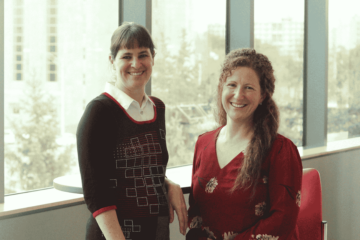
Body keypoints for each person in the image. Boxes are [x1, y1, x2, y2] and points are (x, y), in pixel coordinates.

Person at [77, 22, 187, 240]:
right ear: (112, 61)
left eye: (143, 54)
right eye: (127, 56)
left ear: (153, 57)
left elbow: (141, 169)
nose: (136, 63)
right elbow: (96, 192)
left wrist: (168, 183)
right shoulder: (99, 111)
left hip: (155, 231)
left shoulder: (158, 108)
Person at [187, 48, 303, 240]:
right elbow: (196, 214)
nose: (238, 95)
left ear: (263, 96)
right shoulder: (203, 143)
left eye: (248, 87)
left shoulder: (280, 150)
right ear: (222, 89)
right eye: (231, 85)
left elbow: (283, 221)